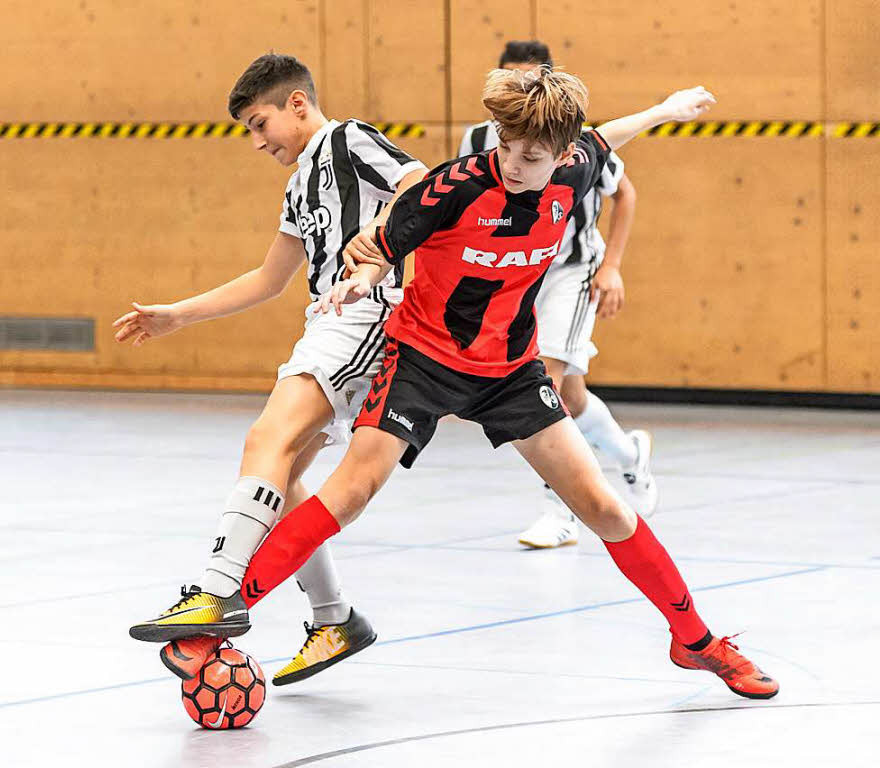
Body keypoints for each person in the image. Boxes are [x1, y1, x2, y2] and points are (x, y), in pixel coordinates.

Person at [129, 66, 779, 701]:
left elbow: (608, 135)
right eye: (507, 148)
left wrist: (666, 109)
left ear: (561, 155)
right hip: (422, 363)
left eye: (533, 155)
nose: (516, 164)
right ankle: (221, 614)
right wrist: (362, 277)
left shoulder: (573, 170)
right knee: (350, 492)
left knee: (605, 508)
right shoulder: (452, 189)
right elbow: (378, 243)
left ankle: (695, 641)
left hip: (510, 373)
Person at [114, 53, 427, 686]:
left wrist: (376, 252)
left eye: (261, 125)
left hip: (365, 315)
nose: (258, 143)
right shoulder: (298, 184)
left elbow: (422, 181)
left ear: (297, 104)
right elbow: (267, 279)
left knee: (265, 440)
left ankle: (214, 588)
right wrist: (179, 315)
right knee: (281, 478)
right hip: (325, 321)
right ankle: (333, 618)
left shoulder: (347, 139)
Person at [461, 40, 654, 550]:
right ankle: (628, 452)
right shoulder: (479, 139)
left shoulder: (573, 139)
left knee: (541, 384)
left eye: (530, 83)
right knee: (569, 396)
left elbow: (624, 194)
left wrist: (611, 267)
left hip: (571, 271)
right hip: (520, 276)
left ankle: (562, 509)